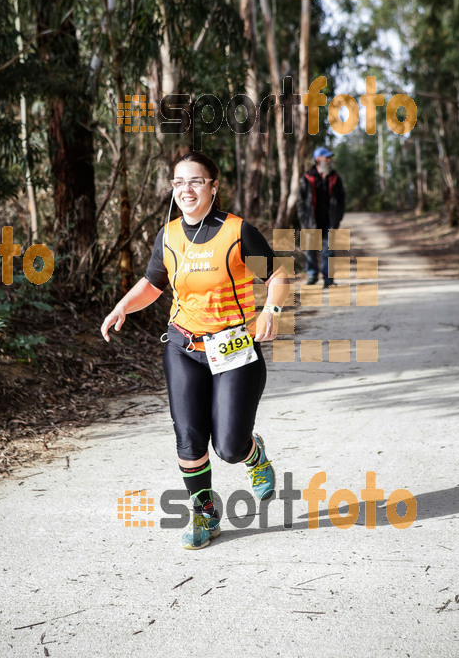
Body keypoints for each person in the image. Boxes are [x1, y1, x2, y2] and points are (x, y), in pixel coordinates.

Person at [101, 151, 290, 550]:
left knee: (228, 446)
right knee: (188, 438)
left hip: (235, 348)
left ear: (213, 187)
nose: (186, 189)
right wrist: (121, 306)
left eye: (196, 181)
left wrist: (271, 309)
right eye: (179, 182)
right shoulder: (168, 235)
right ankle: (204, 515)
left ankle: (253, 456)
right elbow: (153, 285)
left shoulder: (237, 231)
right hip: (184, 346)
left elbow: (276, 276)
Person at [296, 146, 345, 287]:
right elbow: (300, 201)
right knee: (310, 251)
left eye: (330, 158)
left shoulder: (335, 178)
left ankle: (328, 280)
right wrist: (304, 220)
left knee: (328, 251)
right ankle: (312, 276)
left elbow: (341, 199)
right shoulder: (307, 177)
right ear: (318, 159)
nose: (329, 160)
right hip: (311, 221)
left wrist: (338, 218)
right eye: (326, 157)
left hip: (329, 221)